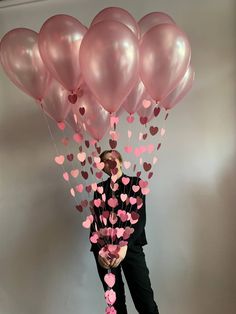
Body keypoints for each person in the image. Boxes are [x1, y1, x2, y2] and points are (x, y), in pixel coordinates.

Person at [90, 149, 160, 314]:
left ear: (120, 161)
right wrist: (98, 250)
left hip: (131, 247)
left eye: (111, 159)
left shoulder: (136, 184)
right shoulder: (99, 188)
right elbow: (95, 222)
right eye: (104, 162)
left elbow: (140, 220)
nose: (108, 163)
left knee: (145, 301)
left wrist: (124, 246)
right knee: (115, 304)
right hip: (104, 252)